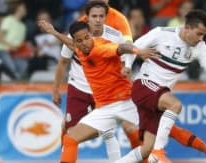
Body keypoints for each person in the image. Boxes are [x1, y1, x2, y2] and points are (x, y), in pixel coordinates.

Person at [116, 10, 206, 163]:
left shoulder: (200, 47)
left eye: (204, 35)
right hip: (144, 84)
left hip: (158, 95)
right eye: (198, 33)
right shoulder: (161, 34)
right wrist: (129, 66)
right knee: (175, 105)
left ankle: (203, 150)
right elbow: (133, 48)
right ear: (187, 27)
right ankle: (160, 150)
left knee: (146, 149)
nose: (201, 38)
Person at [38, 19, 157, 163]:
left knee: (152, 140)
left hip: (125, 102)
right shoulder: (79, 49)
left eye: (87, 38)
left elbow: (121, 48)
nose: (85, 43)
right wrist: (53, 32)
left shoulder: (101, 48)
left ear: (91, 35)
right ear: (76, 43)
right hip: (105, 108)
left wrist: (138, 51)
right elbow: (69, 42)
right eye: (80, 41)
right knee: (70, 138)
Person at [52, 0, 138, 160]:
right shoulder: (76, 34)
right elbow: (63, 61)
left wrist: (128, 79)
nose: (97, 20)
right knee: (70, 133)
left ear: (106, 17)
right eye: (94, 16)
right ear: (88, 18)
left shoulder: (115, 36)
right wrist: (55, 89)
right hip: (78, 88)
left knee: (110, 131)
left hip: (105, 91)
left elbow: (124, 63)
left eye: (101, 16)